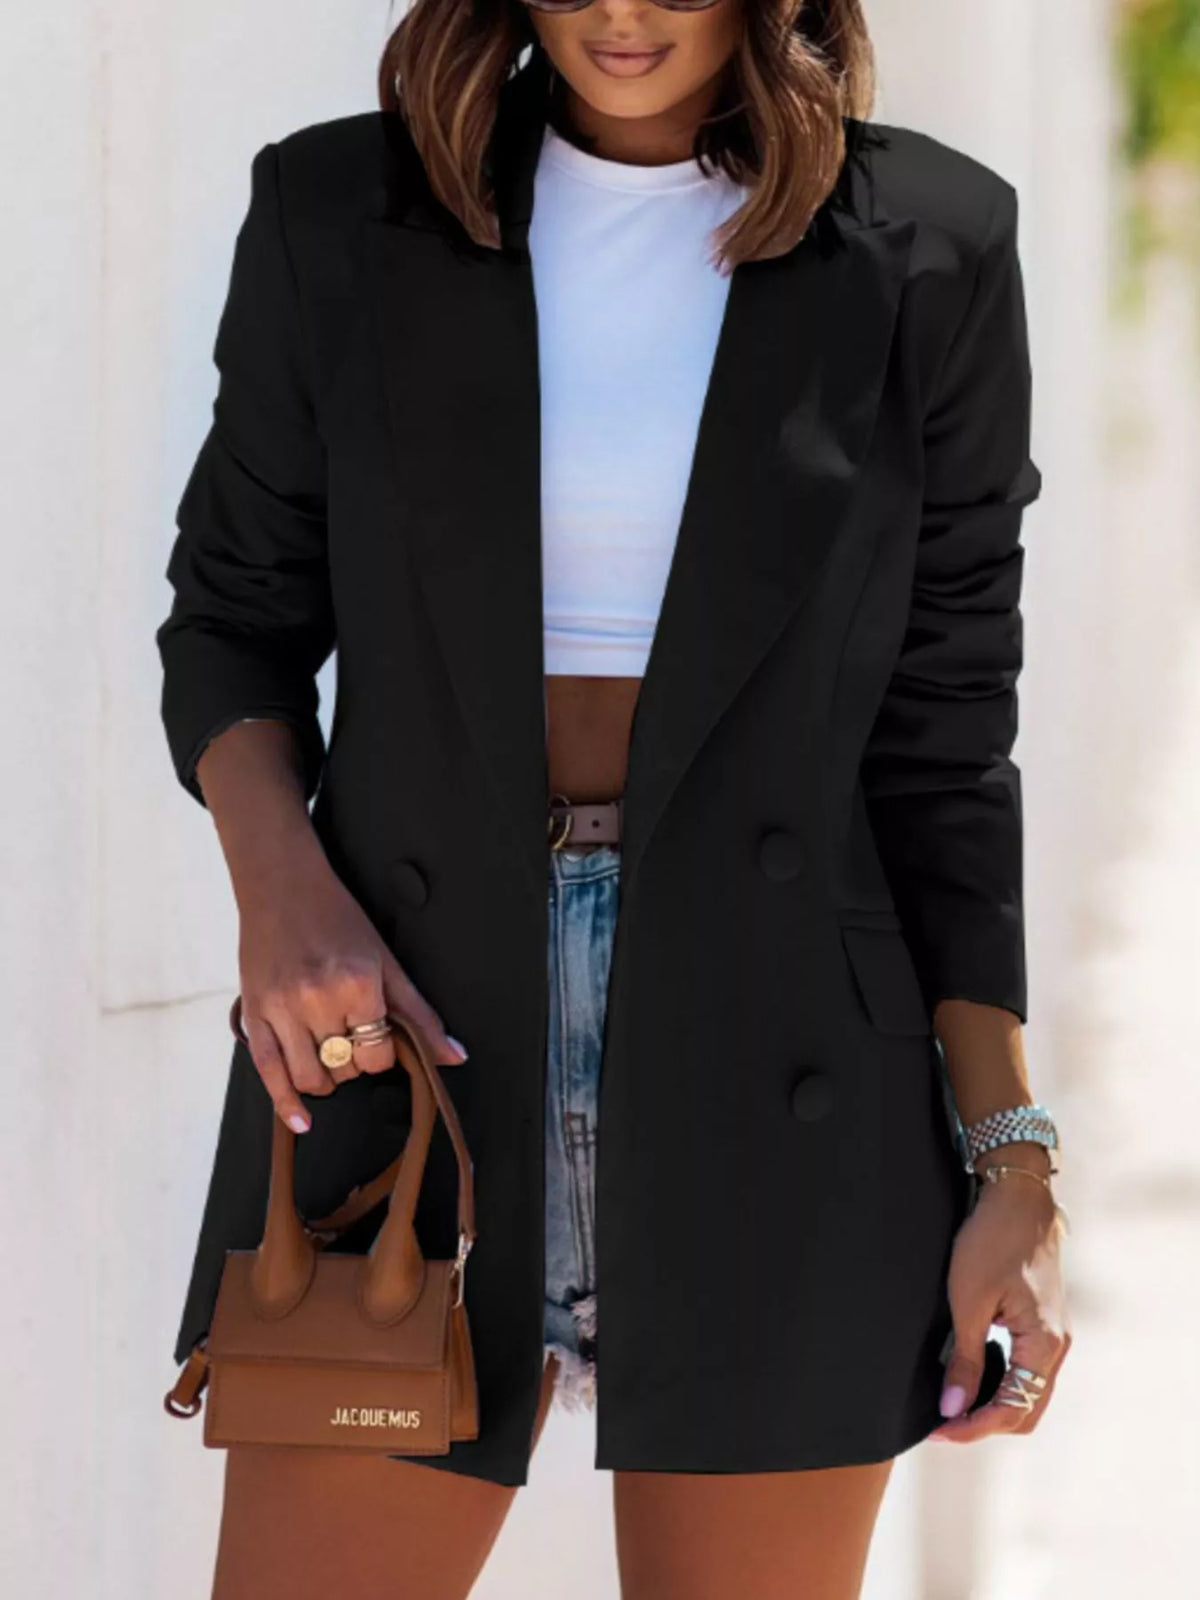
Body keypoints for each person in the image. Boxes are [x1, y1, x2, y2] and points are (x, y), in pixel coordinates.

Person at [157, 3, 1071, 1596]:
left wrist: (1013, 1157)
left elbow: (944, 742)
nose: (621, 10)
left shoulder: (933, 245)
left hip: (783, 1062)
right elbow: (232, 620)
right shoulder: (339, 213)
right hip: (412, 1050)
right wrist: (282, 898)